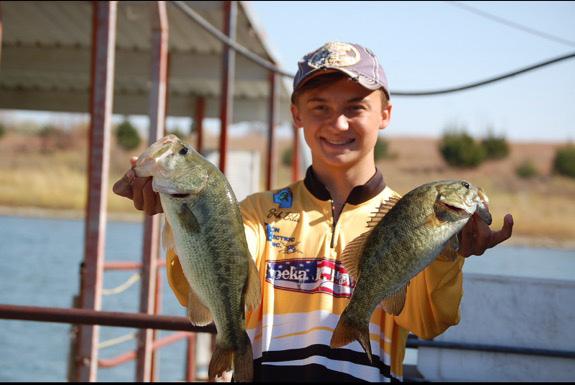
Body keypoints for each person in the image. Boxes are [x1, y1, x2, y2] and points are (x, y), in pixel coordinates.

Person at [113, 41, 513, 382]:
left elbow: (430, 322)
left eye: (355, 108)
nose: (338, 123)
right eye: (319, 107)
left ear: (385, 115)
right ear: (297, 115)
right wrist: (178, 211)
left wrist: (447, 255)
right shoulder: (256, 213)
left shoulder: (410, 218)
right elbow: (201, 287)